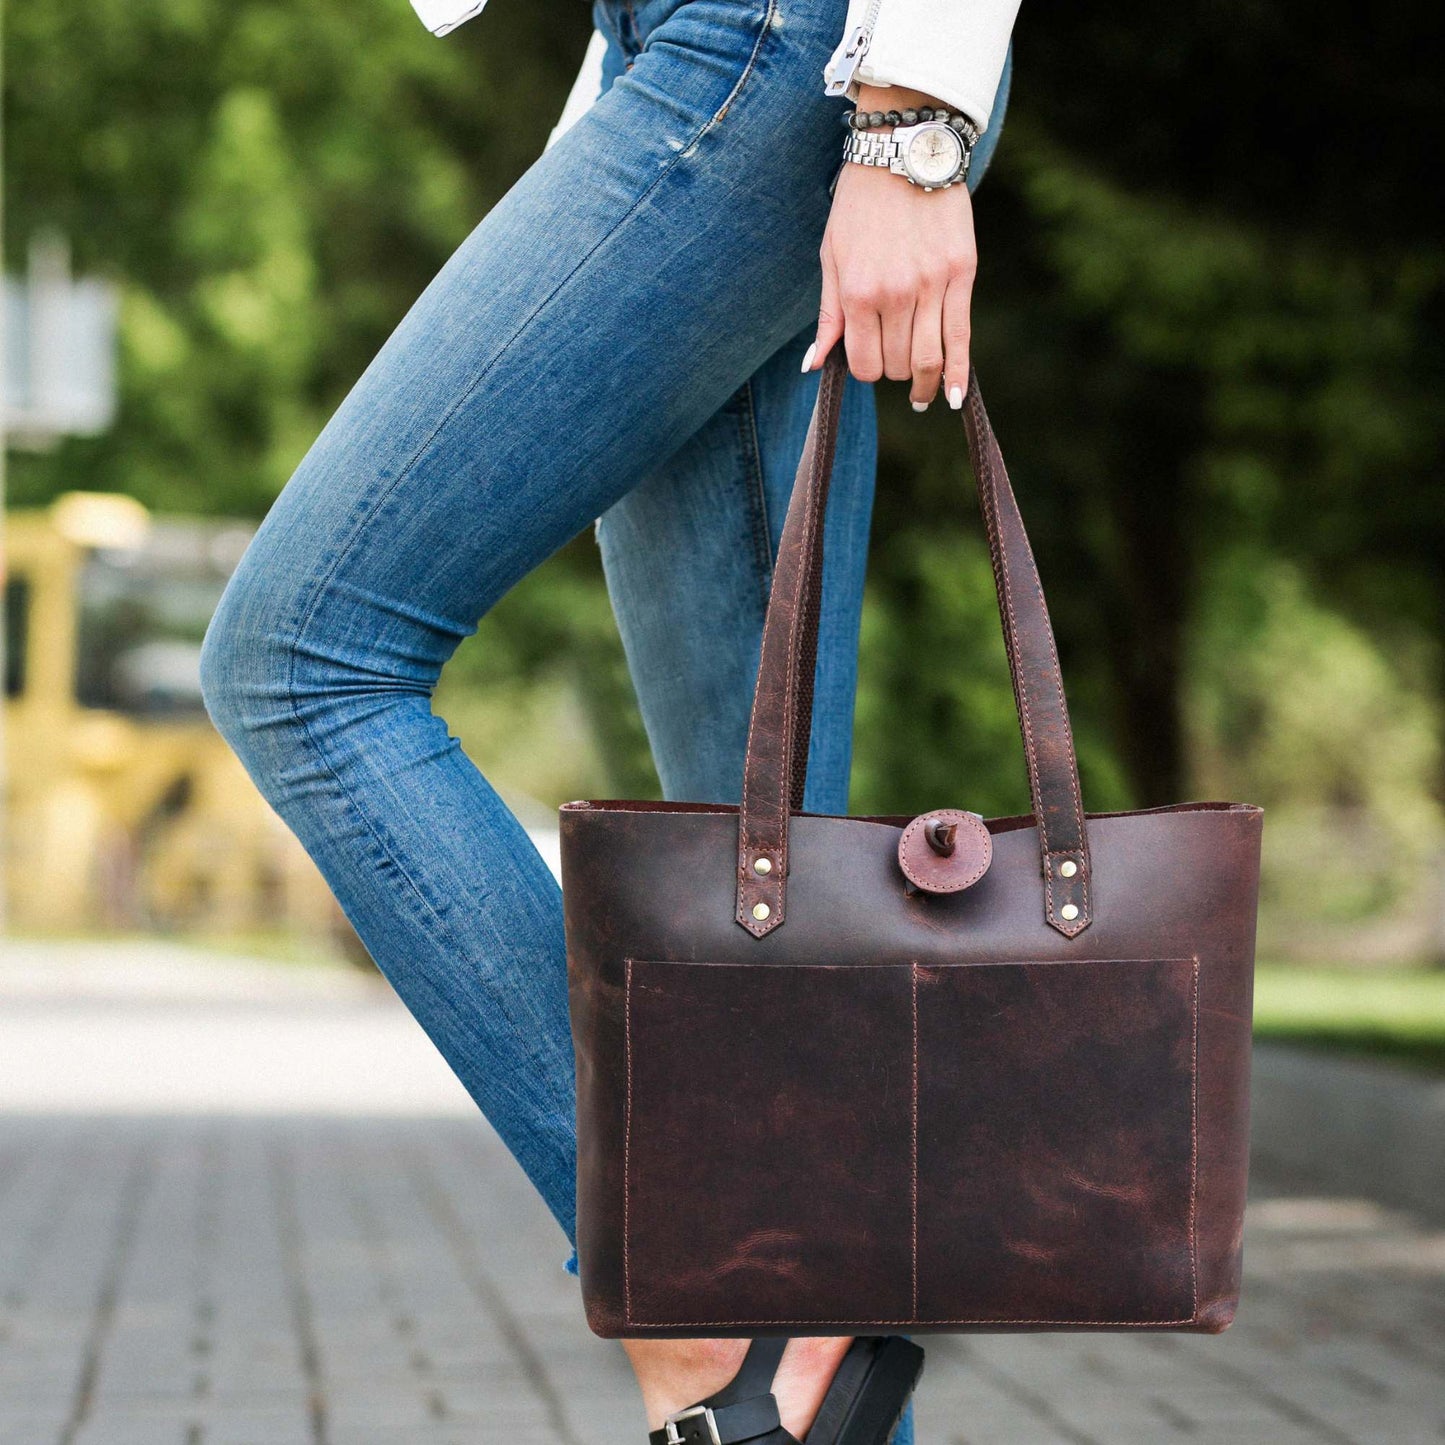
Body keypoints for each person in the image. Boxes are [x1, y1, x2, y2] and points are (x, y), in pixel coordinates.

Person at [199, 0, 1019, 1439]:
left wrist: (910, 120)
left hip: (782, 52)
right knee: (741, 911)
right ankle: (787, 1342)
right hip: (682, 58)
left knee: (301, 658)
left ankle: (712, 1300)